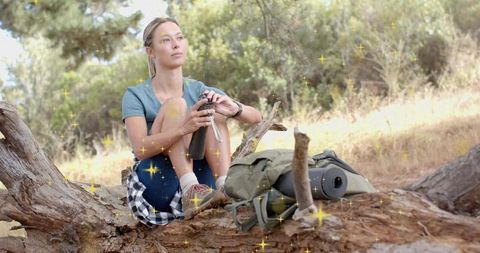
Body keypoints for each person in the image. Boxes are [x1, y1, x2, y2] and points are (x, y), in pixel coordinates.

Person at [121, 17, 262, 226]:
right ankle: (189, 190)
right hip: (161, 182)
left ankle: (225, 187)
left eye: (179, 38)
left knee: (212, 109)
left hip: (206, 183)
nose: (176, 44)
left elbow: (257, 117)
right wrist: (182, 129)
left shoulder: (198, 89)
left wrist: (234, 109)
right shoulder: (135, 95)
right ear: (150, 52)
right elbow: (140, 149)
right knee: (176, 105)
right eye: (166, 40)